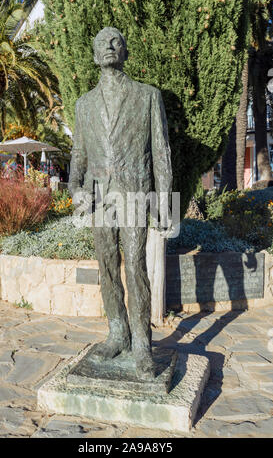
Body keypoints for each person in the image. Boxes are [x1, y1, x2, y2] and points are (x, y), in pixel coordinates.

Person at [68, 27, 172, 379]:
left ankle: (142, 343)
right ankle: (117, 332)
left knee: (135, 265)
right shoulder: (84, 105)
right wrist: (74, 188)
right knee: (107, 267)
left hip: (134, 193)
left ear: (125, 52)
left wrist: (163, 203)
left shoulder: (147, 96)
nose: (110, 47)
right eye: (102, 43)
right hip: (99, 198)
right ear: (95, 56)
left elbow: (161, 153)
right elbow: (78, 155)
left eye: (116, 42)